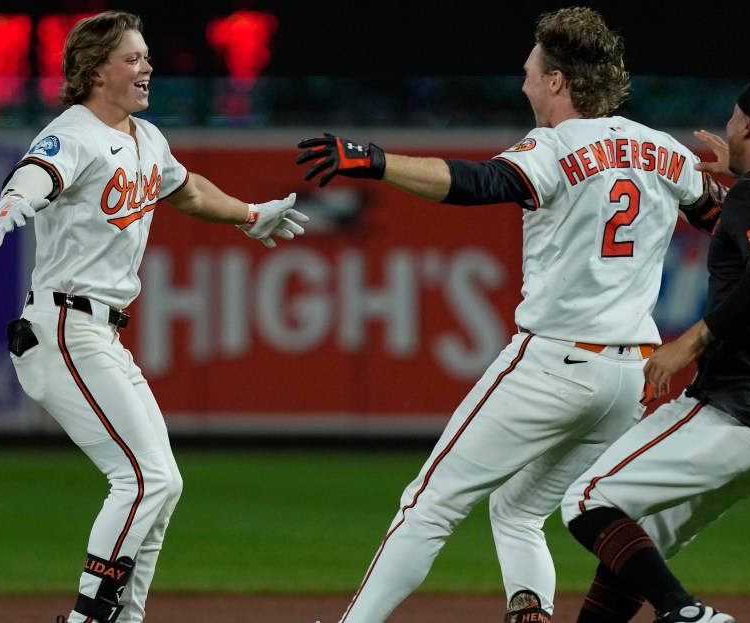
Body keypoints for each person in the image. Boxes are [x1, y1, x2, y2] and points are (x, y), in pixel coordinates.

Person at [295, 7, 724, 623]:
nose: (523, 83)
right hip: (630, 376)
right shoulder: (664, 149)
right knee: (518, 510)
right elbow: (723, 221)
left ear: (557, 81)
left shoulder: (554, 145)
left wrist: (377, 160)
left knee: (429, 504)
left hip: (554, 361)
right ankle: (530, 612)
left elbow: (480, 183)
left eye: (531, 72)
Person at [0, 11, 307, 623]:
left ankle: (125, 617)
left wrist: (248, 213)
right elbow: (37, 171)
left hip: (101, 332)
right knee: (144, 480)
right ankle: (90, 616)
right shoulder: (76, 132)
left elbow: (186, 189)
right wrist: (17, 196)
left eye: (146, 56)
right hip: (64, 327)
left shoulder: (145, 138)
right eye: (133, 57)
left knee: (162, 484)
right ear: (93, 70)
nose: (147, 68)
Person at [561, 73, 750, 623]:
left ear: (746, 124)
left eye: (733, 118)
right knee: (637, 546)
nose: (726, 126)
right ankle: (676, 608)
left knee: (586, 499)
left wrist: (688, 344)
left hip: (734, 409)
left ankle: (684, 612)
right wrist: (748, 176)